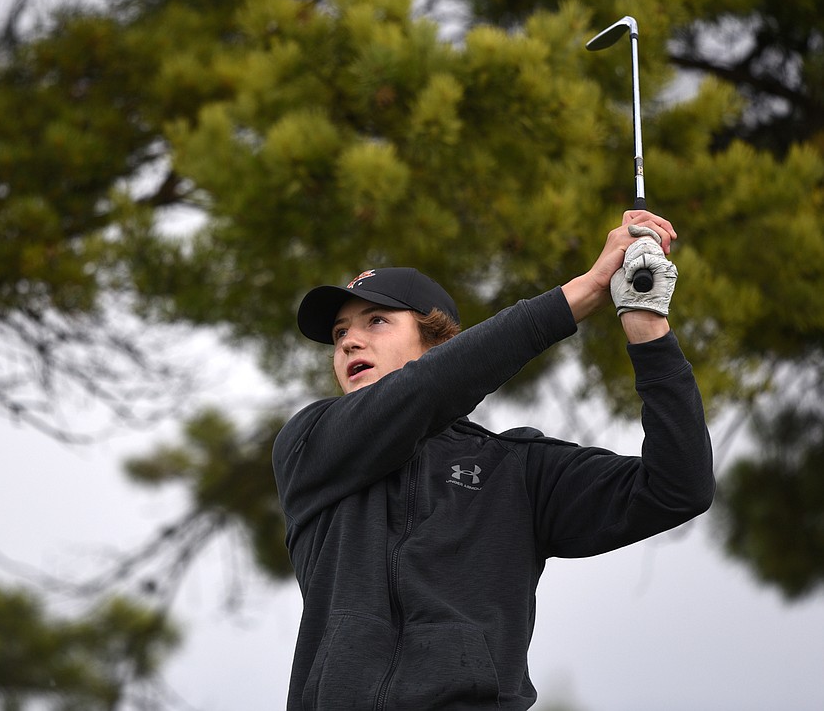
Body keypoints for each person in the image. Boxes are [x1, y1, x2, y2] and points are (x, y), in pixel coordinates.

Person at [271, 210, 715, 710]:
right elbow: (424, 390)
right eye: (339, 334)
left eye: (376, 320)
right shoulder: (309, 443)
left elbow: (679, 487)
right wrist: (586, 290)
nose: (349, 340)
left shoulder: (517, 469)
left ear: (437, 340)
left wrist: (647, 326)